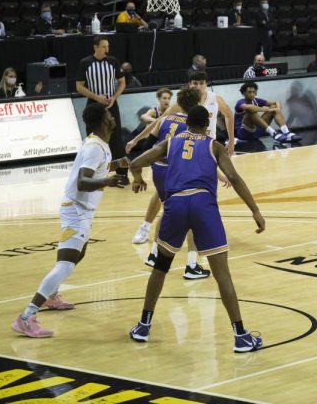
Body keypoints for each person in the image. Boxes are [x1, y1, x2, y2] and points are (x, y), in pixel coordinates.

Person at [127, 105, 265, 352]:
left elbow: (137, 161)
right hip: (203, 204)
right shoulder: (214, 145)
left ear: (187, 123)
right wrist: (255, 210)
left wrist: (137, 177)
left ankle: (143, 325)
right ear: (207, 123)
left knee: (160, 268)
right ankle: (241, 336)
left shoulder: (171, 142)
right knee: (222, 273)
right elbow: (234, 179)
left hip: (176, 204)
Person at [11, 103, 128, 338]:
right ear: (104, 121)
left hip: (81, 209)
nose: (112, 115)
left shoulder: (98, 143)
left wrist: (114, 165)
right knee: (65, 264)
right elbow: (83, 181)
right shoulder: (95, 146)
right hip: (76, 209)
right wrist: (108, 181)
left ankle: (51, 297)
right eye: (108, 114)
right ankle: (27, 316)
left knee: (78, 254)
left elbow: (92, 170)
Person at [127, 88, 213, 279]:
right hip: (176, 171)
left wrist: (139, 174)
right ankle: (192, 265)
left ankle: (154, 254)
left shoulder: (165, 119)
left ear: (180, 102)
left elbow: (148, 147)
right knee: (193, 218)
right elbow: (195, 153)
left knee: (167, 212)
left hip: (158, 169)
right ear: (197, 102)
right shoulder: (192, 125)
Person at [76, 36, 128, 184]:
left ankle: (122, 175)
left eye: (108, 46)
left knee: (116, 138)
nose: (107, 49)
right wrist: (96, 97)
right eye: (104, 46)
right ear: (96, 47)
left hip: (111, 105)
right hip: (93, 105)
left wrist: (114, 97)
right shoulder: (85, 63)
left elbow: (122, 82)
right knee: (93, 139)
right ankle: (92, 174)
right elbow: (79, 86)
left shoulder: (113, 61)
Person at [234, 80, 302, 144]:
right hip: (244, 133)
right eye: (249, 92)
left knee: (273, 107)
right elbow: (250, 108)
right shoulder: (240, 102)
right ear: (244, 93)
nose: (252, 94)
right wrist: (267, 109)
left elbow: (276, 102)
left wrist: (277, 109)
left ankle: (287, 132)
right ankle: (274, 133)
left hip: (257, 132)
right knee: (251, 112)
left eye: (253, 92)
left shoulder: (256, 100)